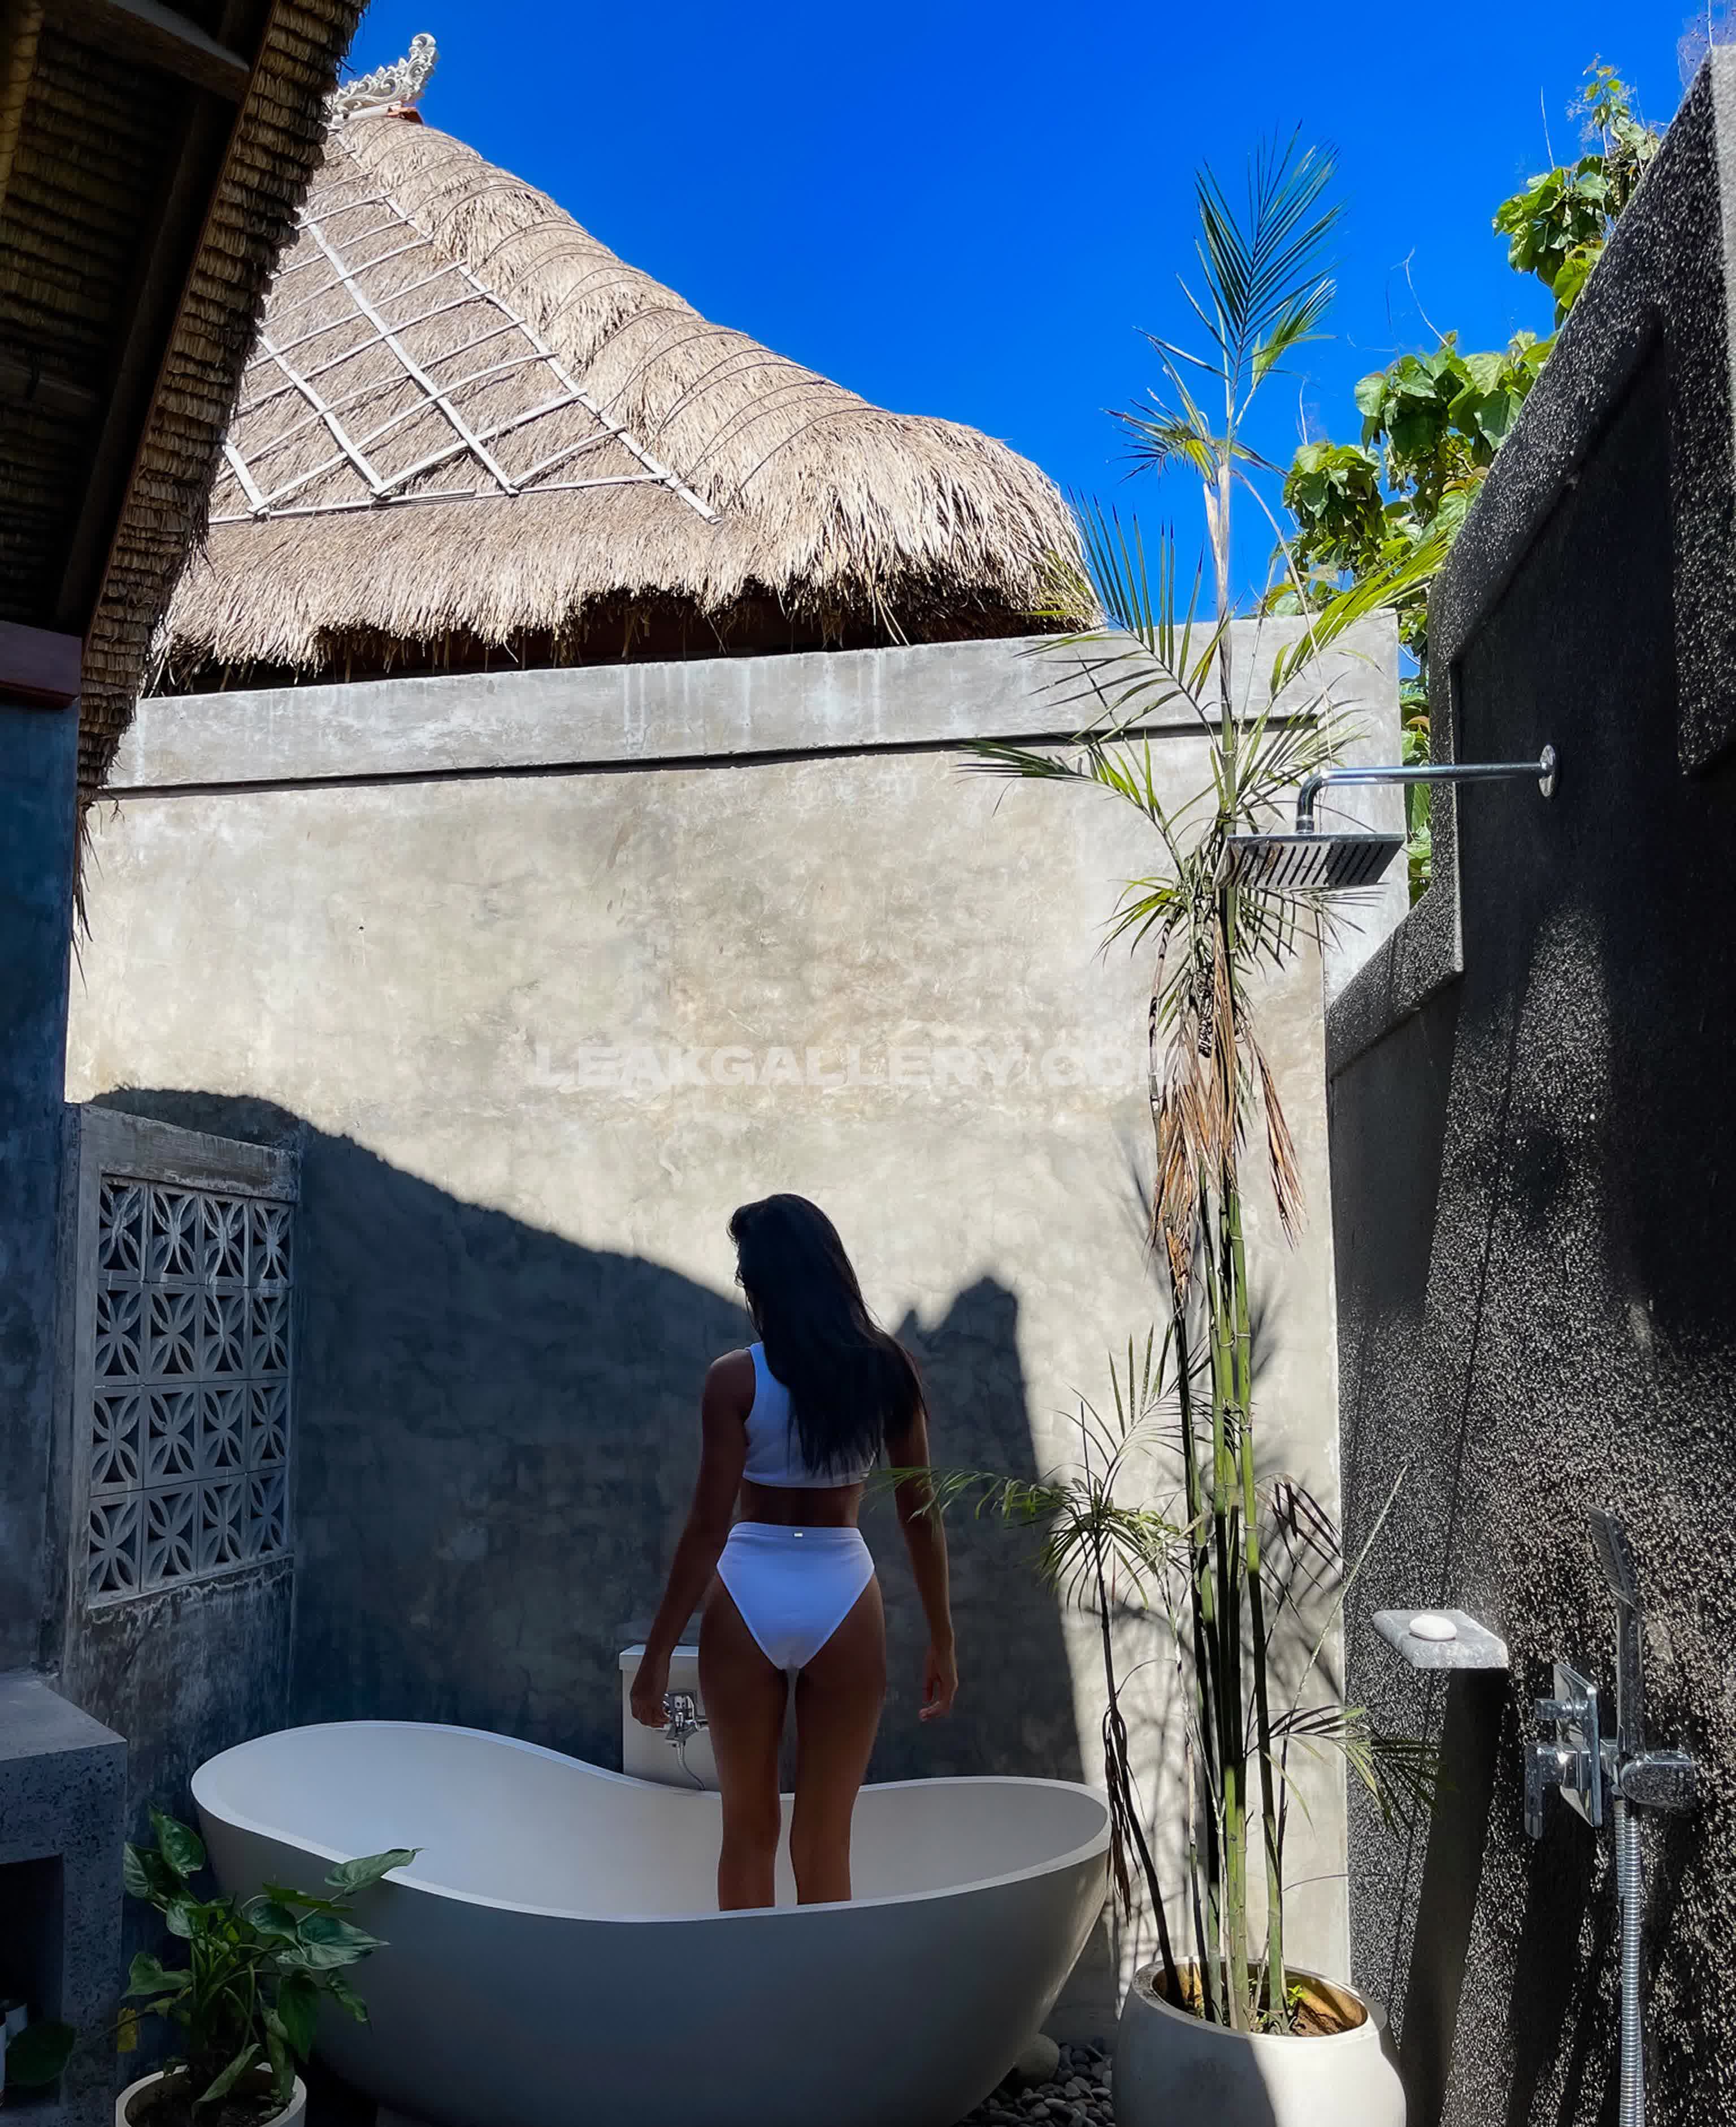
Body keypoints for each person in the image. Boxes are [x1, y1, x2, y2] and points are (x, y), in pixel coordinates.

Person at [630, 1193, 957, 1910]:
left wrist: (657, 1657)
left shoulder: (734, 1378)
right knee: (825, 1840)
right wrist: (942, 1636)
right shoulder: (887, 1370)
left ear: (767, 1283)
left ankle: (750, 1983)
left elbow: (706, 1527)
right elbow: (920, 1515)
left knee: (748, 1831)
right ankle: (824, 1985)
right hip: (842, 1588)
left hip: (749, 1584)